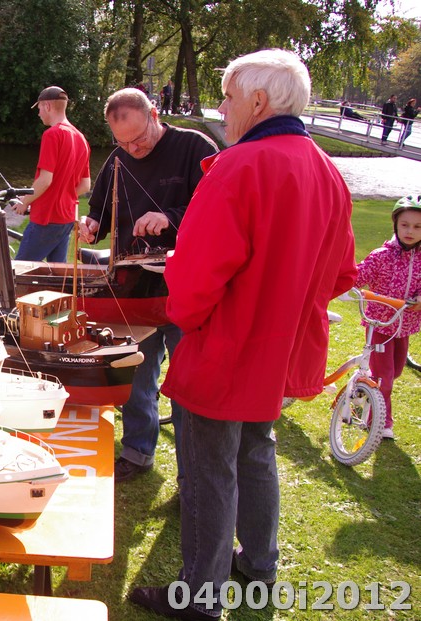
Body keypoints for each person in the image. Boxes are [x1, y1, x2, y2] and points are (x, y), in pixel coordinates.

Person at [129, 49, 357, 621]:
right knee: (256, 451)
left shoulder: (239, 165)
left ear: (258, 101)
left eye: (228, 97)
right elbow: (340, 273)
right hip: (278, 349)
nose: (222, 108)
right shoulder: (327, 169)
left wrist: (183, 301)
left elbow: (196, 278)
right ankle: (259, 563)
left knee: (210, 470)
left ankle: (200, 597)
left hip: (227, 346)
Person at [78, 88, 217, 483]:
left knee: (190, 386)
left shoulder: (195, 148)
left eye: (138, 138)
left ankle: (195, 477)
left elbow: (219, 210)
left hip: (186, 290)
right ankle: (138, 453)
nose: (132, 149)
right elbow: (99, 214)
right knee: (137, 376)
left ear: (155, 114)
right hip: (135, 292)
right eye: (122, 142)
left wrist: (170, 218)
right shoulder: (118, 158)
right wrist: (90, 226)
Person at [353, 196, 421, 440]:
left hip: (404, 326)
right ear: (395, 225)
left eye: (417, 226)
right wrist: (346, 286)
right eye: (405, 225)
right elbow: (357, 277)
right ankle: (380, 424)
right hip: (379, 325)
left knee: (396, 371)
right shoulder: (381, 256)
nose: (410, 231)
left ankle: (364, 391)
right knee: (385, 379)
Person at [12, 86, 91, 262]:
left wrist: (25, 202)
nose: (39, 113)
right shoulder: (81, 139)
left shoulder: (52, 135)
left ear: (47, 106)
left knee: (21, 271)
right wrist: (61, 195)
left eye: (39, 108)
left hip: (46, 218)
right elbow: (85, 185)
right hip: (66, 218)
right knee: (56, 273)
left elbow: (45, 180)